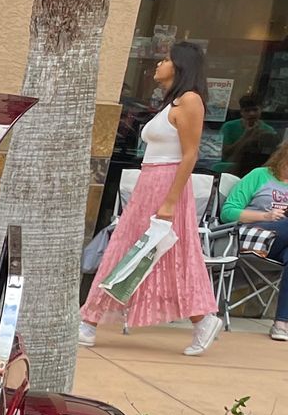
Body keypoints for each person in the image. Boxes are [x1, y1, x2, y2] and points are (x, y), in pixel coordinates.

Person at [80, 41, 223, 356]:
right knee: (140, 250)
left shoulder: (190, 100)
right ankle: (202, 320)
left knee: (156, 250)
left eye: (166, 59)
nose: (159, 63)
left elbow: (190, 155)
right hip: (150, 182)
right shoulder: (173, 102)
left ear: (180, 65)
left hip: (166, 183)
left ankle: (89, 320)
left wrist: (170, 202)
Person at [220, 136, 288, 340]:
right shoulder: (260, 175)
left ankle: (281, 323)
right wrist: (265, 216)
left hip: (280, 241)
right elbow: (228, 212)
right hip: (252, 235)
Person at [219, 94, 280, 176]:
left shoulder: (268, 130)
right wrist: (245, 136)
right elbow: (225, 153)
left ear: (260, 110)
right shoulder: (229, 127)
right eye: (247, 111)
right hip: (229, 169)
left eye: (255, 110)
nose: (251, 113)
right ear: (241, 112)